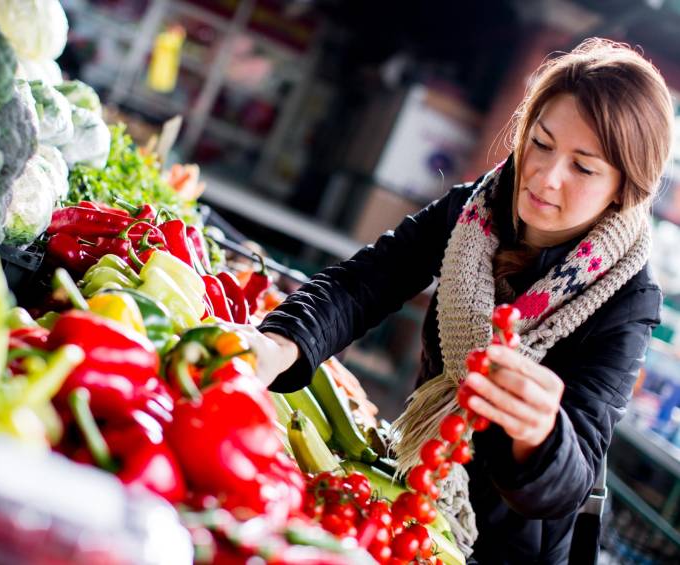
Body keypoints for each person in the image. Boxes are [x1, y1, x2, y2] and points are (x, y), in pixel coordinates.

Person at [234, 38, 675, 563]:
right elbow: (364, 284)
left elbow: (569, 483)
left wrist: (542, 435)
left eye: (583, 168)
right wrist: (277, 345)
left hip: (512, 551)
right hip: (414, 500)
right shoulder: (472, 213)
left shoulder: (627, 298)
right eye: (541, 142)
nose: (545, 176)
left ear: (624, 190)